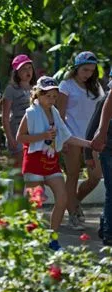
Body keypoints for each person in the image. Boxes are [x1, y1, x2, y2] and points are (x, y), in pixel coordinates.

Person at [16, 76, 92, 251]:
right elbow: (20, 137)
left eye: (54, 96)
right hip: (34, 160)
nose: (51, 100)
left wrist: (89, 143)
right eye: (48, 96)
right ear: (38, 95)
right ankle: (29, 240)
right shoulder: (31, 113)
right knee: (34, 203)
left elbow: (67, 136)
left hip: (51, 161)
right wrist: (42, 136)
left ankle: (53, 237)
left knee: (63, 198)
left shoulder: (55, 113)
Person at [57, 51, 105, 230]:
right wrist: (63, 140)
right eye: (85, 69)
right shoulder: (66, 85)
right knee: (73, 175)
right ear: (76, 68)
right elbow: (60, 115)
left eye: (92, 70)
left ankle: (75, 201)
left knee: (95, 177)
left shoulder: (97, 87)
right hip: (72, 138)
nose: (88, 74)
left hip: (92, 139)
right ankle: (73, 214)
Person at [2, 54, 37, 167]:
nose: (28, 71)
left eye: (29, 68)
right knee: (19, 169)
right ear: (16, 72)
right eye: (23, 69)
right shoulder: (10, 89)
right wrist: (10, 138)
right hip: (16, 131)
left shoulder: (36, 88)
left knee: (32, 168)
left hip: (33, 132)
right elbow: (5, 117)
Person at [87, 88, 112, 246]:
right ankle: (109, 232)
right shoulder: (105, 101)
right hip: (109, 147)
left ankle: (105, 223)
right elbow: (91, 129)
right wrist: (88, 154)